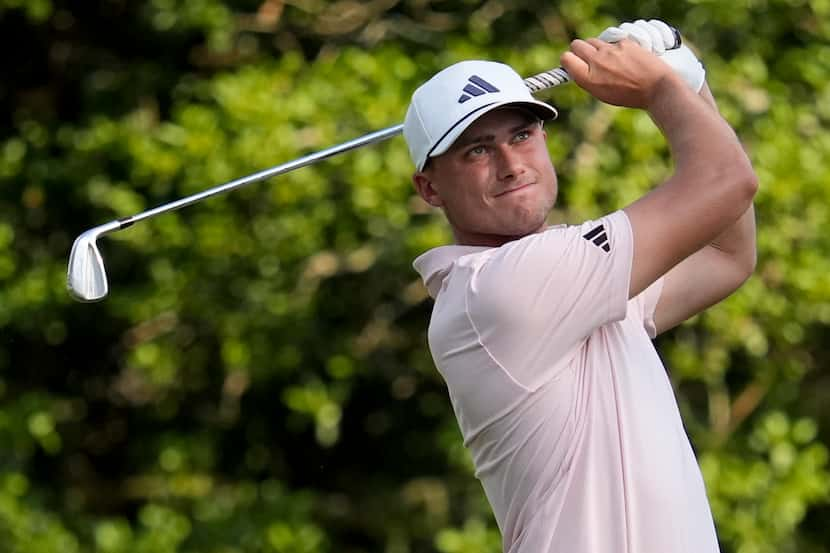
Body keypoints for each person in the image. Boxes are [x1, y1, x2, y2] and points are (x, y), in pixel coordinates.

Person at [403, 19, 757, 553]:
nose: (510, 165)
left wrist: (688, 82)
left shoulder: (576, 282)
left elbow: (727, 254)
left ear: (544, 138)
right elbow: (727, 181)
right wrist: (664, 87)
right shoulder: (498, 288)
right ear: (430, 187)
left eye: (521, 135)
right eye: (476, 151)